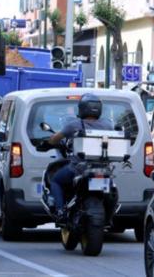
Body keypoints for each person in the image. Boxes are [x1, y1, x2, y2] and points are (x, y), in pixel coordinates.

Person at [43, 93, 113, 223]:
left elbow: (55, 138)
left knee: (56, 181)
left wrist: (47, 144)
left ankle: (60, 212)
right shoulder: (108, 125)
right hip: (103, 168)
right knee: (111, 189)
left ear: (82, 108)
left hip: (79, 168)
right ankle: (109, 216)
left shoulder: (74, 125)